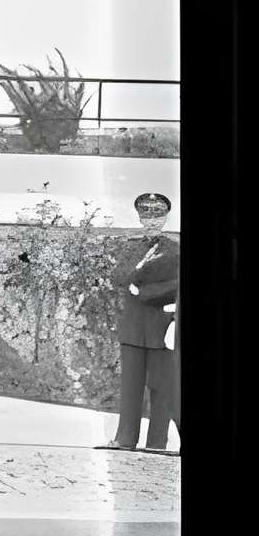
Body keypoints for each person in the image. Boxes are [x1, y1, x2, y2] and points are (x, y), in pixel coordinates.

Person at [109, 192, 180, 453]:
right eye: (147, 216)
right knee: (130, 386)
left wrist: (146, 292)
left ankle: (157, 443)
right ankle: (125, 439)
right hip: (133, 326)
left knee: (161, 387)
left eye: (158, 217)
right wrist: (141, 268)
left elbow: (177, 285)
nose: (152, 222)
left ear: (165, 218)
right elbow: (121, 278)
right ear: (139, 217)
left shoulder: (175, 249)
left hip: (161, 326)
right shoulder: (129, 247)